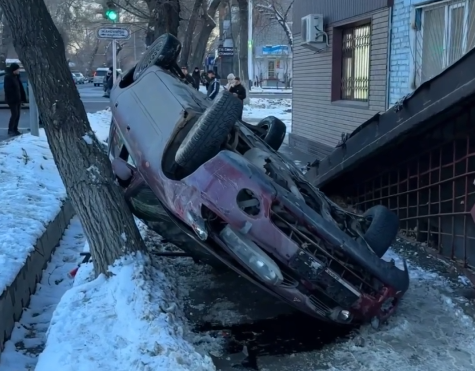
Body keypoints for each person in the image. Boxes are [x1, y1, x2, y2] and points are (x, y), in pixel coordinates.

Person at [4, 63, 26, 136]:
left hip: (18, 99)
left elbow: (20, 88)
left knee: (18, 115)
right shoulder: (8, 77)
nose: (18, 70)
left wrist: (22, 98)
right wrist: (13, 98)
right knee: (14, 114)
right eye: (17, 69)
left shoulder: (16, 77)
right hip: (12, 100)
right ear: (14, 70)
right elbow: (8, 89)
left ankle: (15, 129)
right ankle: (10, 130)